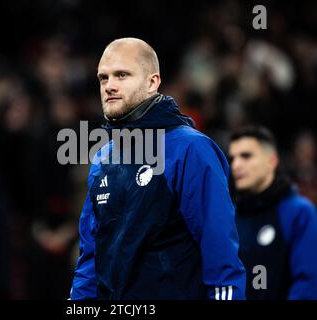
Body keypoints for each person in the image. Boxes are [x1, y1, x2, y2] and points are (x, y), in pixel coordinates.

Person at [69, 37, 246, 300]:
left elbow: (219, 251)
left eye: (122, 75)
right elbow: (91, 258)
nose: (109, 86)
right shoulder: (103, 159)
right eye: (103, 78)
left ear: (152, 82)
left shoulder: (190, 149)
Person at [228, 126, 317, 299]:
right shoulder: (230, 215)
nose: (236, 165)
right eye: (232, 158)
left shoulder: (300, 213)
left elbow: (308, 284)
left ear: (271, 160)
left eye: (246, 156)